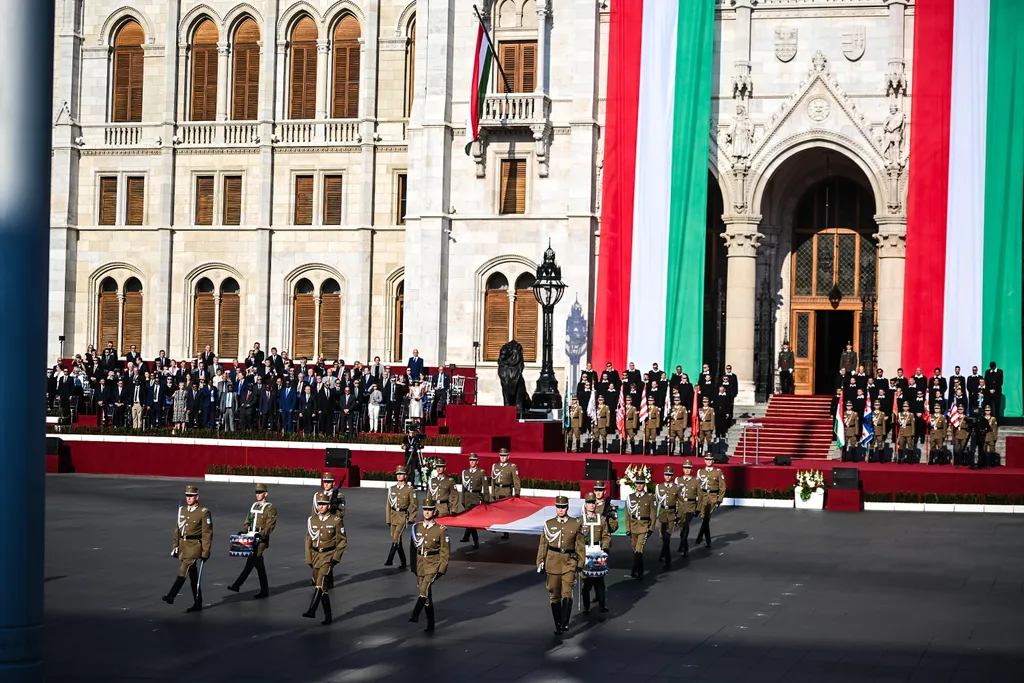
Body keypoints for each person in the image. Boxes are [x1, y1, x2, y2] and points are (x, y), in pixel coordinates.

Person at [537, 495, 585, 634]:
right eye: (558, 506)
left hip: (569, 561)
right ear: (555, 507)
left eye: (563, 507)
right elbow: (543, 544)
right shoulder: (549, 524)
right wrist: (540, 561)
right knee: (554, 593)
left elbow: (580, 545)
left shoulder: (575, 524)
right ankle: (557, 623)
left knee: (567, 592)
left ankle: (564, 622)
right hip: (552, 562)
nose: (561, 509)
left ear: (567, 507)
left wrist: (581, 562)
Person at [162, 485, 212, 613]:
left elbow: (207, 534)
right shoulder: (182, 511)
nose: (188, 498)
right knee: (193, 576)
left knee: (183, 570)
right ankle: (198, 602)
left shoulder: (203, 512)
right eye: (187, 496)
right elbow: (177, 530)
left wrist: (206, 552)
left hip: (195, 546)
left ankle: (171, 596)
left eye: (191, 496)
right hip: (183, 545)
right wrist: (175, 546)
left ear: (197, 497)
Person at [227, 483, 277, 598]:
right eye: (257, 492)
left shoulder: (270, 508)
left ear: (266, 494)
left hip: (260, 540)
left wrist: (261, 534)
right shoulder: (253, 506)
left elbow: (270, 526)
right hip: (250, 537)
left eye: (260, 492)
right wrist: (244, 531)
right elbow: (247, 520)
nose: (258, 494)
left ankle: (237, 584)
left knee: (253, 560)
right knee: (258, 563)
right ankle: (264, 590)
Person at [303, 492, 346, 625]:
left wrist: (336, 558)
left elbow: (342, 541)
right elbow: (308, 540)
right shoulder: (312, 520)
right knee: (321, 587)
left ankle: (312, 609)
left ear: (329, 505)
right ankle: (328, 615)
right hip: (315, 555)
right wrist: (309, 558)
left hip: (328, 555)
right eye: (320, 504)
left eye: (324, 504)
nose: (322, 507)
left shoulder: (336, 521)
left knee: (321, 582)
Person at [409, 498, 449, 633]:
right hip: (420, 563)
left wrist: (441, 569)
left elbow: (445, 551)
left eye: (430, 510)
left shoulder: (441, 530)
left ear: (434, 511)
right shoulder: (417, 527)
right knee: (427, 597)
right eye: (425, 509)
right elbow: (412, 549)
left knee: (424, 589)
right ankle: (431, 623)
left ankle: (415, 614)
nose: (427, 512)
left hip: (433, 563)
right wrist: (413, 567)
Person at [578, 492, 613, 614]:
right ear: (585, 505)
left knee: (599, 580)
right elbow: (577, 538)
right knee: (586, 582)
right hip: (585, 553)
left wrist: (605, 548)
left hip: (598, 551)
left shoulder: (601, 519)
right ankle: (586, 606)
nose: (591, 505)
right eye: (589, 503)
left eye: (593, 503)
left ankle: (602, 605)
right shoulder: (580, 520)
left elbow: (606, 536)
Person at [385, 465, 417, 569]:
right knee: (398, 540)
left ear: (405, 476)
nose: (399, 476)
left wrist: (411, 517)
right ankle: (403, 562)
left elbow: (415, 505)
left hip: (402, 516)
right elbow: (388, 505)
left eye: (401, 474)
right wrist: (388, 519)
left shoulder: (409, 489)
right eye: (398, 474)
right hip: (393, 515)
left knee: (396, 538)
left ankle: (389, 559)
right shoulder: (392, 489)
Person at [626, 471, 653, 580]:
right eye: (637, 483)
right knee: (635, 549)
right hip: (633, 526)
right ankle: (639, 569)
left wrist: (650, 528)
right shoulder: (630, 497)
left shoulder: (649, 498)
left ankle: (636, 571)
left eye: (641, 483)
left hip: (643, 526)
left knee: (639, 548)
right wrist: (627, 529)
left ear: (644, 484)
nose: (639, 485)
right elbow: (627, 514)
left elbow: (652, 514)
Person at [695, 454, 725, 549]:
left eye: (710, 460)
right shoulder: (700, 472)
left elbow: (722, 486)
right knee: (704, 518)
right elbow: (698, 486)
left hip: (712, 497)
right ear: (704, 461)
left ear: (713, 461)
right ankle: (708, 541)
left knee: (707, 517)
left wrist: (719, 499)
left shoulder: (718, 472)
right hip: (703, 497)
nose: (708, 461)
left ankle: (700, 536)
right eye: (707, 460)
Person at [654, 466, 681, 569]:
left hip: (671, 513)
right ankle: (663, 553)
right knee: (662, 535)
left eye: (669, 475)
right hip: (662, 513)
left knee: (667, 537)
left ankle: (667, 560)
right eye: (666, 475)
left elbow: (681, 502)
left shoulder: (677, 488)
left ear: (672, 476)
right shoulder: (659, 487)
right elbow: (656, 501)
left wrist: (678, 515)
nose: (667, 477)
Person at [674, 461, 701, 556]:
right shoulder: (678, 480)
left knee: (685, 523)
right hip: (681, 507)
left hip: (691, 506)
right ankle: (685, 547)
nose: (687, 470)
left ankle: (682, 544)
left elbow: (700, 496)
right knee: (682, 527)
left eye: (689, 468)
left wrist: (698, 509)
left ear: (692, 469)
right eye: (685, 468)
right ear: (683, 469)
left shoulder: (696, 480)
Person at [459, 453, 486, 548]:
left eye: (473, 460)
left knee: (472, 520)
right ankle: (473, 540)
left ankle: (469, 537)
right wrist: (463, 500)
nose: (472, 462)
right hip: (467, 498)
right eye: (470, 460)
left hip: (476, 497)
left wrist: (486, 500)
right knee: (469, 520)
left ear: (477, 462)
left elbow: (485, 487)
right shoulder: (465, 472)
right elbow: (463, 488)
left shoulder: (481, 472)